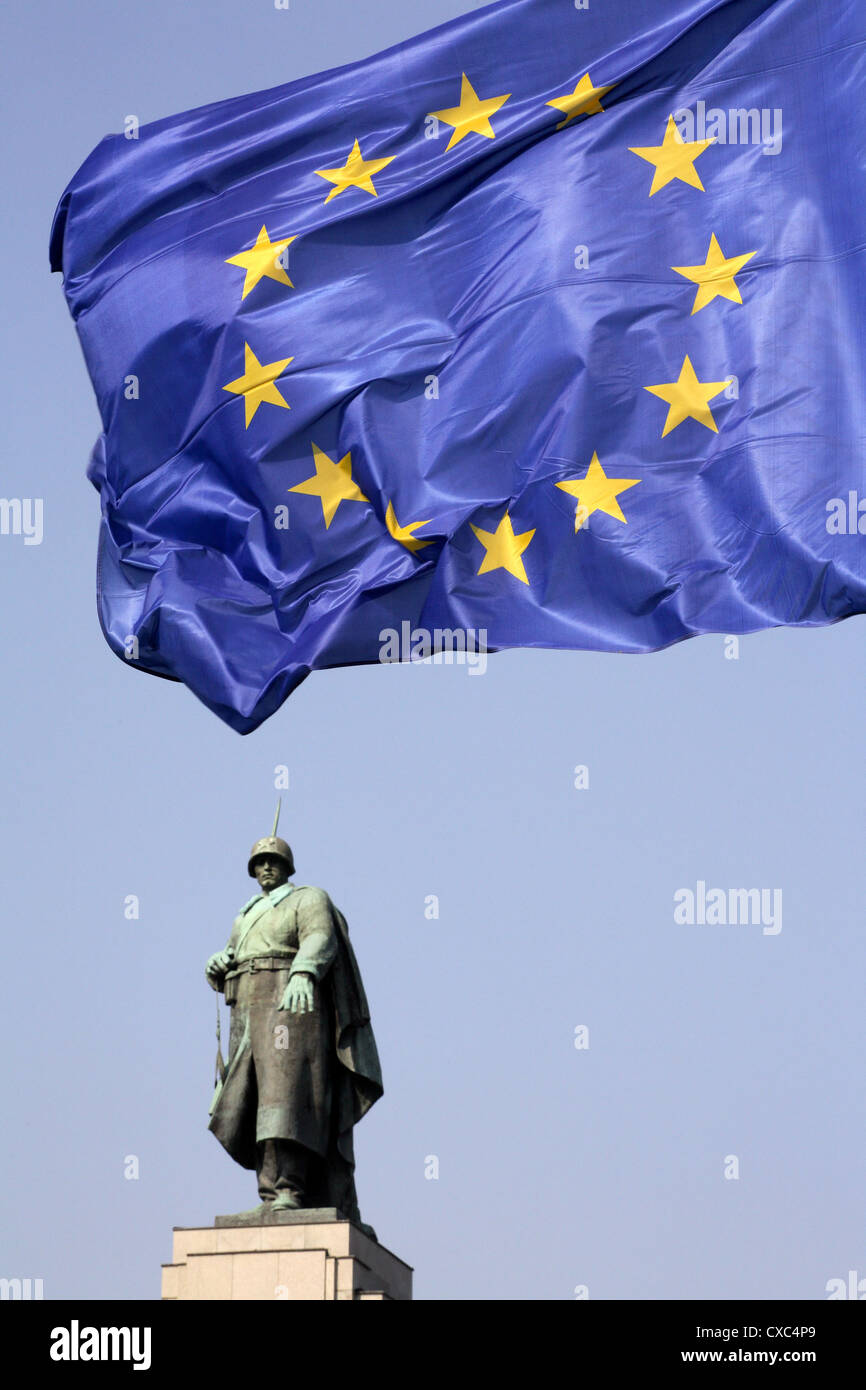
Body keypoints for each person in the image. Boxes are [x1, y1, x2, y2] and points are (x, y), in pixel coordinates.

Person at [205, 832, 382, 1229]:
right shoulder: (246, 913)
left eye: (274, 861)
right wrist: (217, 966)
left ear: (288, 866)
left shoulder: (308, 898)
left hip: (290, 1003)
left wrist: (304, 971)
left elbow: (320, 936)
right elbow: (233, 955)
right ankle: (269, 1193)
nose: (266, 867)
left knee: (284, 1097)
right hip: (248, 1009)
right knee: (252, 1099)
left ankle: (288, 1189)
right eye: (259, 862)